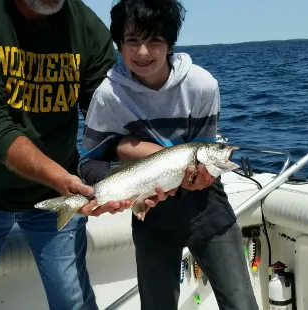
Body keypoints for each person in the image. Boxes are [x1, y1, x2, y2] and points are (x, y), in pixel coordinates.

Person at [0, 0, 160, 309]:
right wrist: (62, 179)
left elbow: (107, 122)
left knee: (73, 301)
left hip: (57, 192)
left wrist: (143, 176)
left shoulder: (87, 28)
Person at [79, 0, 259, 309]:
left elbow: (204, 152)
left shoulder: (201, 85)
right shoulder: (109, 96)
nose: (143, 52)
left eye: (155, 40)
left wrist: (200, 179)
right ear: (119, 44)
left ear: (170, 43)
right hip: (150, 212)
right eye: (132, 41)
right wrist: (120, 189)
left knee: (241, 303)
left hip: (207, 207)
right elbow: (88, 162)